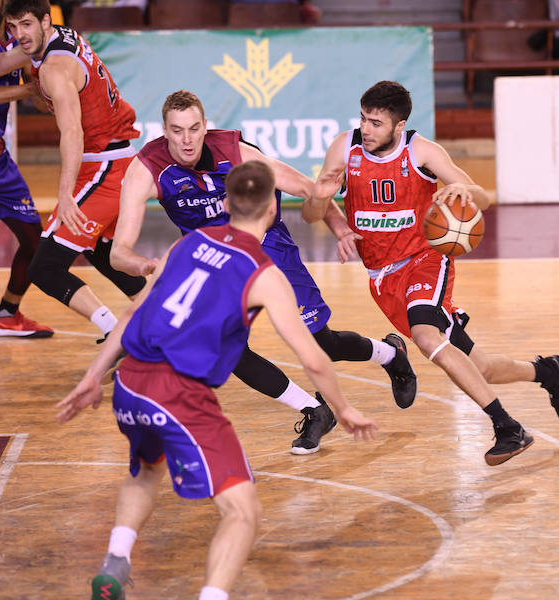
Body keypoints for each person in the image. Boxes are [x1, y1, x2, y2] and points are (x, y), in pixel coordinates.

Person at [56, 160, 377, 600]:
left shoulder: (188, 243)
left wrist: (93, 377)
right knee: (243, 514)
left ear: (224, 204)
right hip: (179, 395)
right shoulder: (263, 273)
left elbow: (131, 313)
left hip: (129, 383)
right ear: (271, 210)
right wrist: (343, 408)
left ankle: (116, 560)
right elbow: (315, 361)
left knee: (147, 468)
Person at [110, 90, 416, 454]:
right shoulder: (146, 168)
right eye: (177, 131)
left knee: (321, 343)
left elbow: (308, 188)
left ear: (205, 126)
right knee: (229, 350)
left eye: (194, 129)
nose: (187, 140)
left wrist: (340, 229)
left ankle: (390, 354)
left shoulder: (235, 151)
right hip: (214, 259)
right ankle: (314, 409)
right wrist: (145, 265)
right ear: (163, 130)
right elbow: (118, 253)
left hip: (266, 243)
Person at [306, 80, 559, 466]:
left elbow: (482, 196)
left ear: (399, 125)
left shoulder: (422, 151)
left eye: (376, 123)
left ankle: (507, 427)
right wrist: (320, 198)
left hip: (425, 260)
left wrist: (463, 193)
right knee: (479, 365)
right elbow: (311, 215)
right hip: (382, 278)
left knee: (425, 336)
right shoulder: (344, 148)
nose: (366, 129)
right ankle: (547, 371)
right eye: (363, 120)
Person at [4, 0, 147, 343]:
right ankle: (157, 324)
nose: (18, 35)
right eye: (12, 27)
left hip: (104, 166)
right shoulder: (52, 38)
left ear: (44, 21)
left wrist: (66, 194)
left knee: (46, 267)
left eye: (24, 25)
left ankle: (117, 332)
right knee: (101, 251)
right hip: (113, 159)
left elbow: (72, 133)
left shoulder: (55, 67)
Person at [0, 0, 52, 337]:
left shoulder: (18, 41)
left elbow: (38, 93)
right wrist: (28, 90)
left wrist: (43, 92)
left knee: (35, 241)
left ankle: (7, 313)